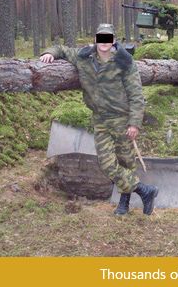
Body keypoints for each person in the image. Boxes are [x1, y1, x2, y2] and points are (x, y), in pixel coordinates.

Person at [40, 23, 159, 215]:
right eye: (100, 38)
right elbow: (62, 49)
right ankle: (144, 190)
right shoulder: (83, 58)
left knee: (126, 161)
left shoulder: (124, 62)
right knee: (106, 163)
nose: (104, 42)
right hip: (101, 120)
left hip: (122, 119)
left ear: (113, 40)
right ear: (96, 40)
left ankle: (124, 203)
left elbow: (136, 94)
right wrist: (50, 53)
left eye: (108, 38)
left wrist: (134, 123)